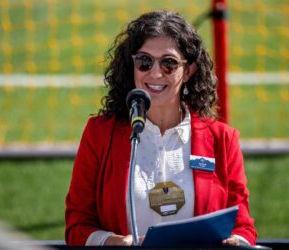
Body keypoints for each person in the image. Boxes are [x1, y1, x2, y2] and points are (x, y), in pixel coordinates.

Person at [65, 10, 257, 246]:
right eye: (144, 61)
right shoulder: (100, 134)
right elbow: (77, 225)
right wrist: (111, 242)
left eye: (169, 63)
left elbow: (243, 225)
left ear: (188, 71)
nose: (155, 73)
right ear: (132, 66)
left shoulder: (223, 139)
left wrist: (236, 242)